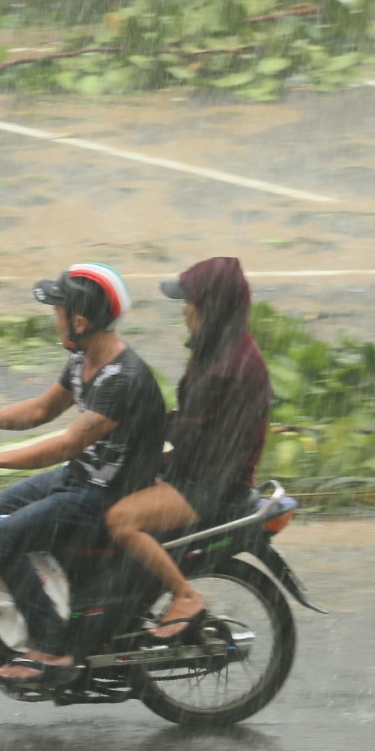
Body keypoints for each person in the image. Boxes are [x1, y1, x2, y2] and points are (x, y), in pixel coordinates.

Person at [0, 264, 167, 683]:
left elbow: (66, 444)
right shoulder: (84, 358)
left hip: (110, 495)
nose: (54, 318)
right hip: (81, 477)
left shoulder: (121, 380)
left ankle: (51, 647)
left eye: (58, 311)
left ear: (80, 320)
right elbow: (41, 411)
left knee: (1, 539)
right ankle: (49, 604)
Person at [105, 256, 271, 640]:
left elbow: (201, 437)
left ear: (210, 307)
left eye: (190, 302)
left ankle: (185, 596)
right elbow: (195, 426)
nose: (185, 312)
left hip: (211, 486)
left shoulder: (235, 365)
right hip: (195, 471)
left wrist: (153, 429)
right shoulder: (216, 349)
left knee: (121, 519)